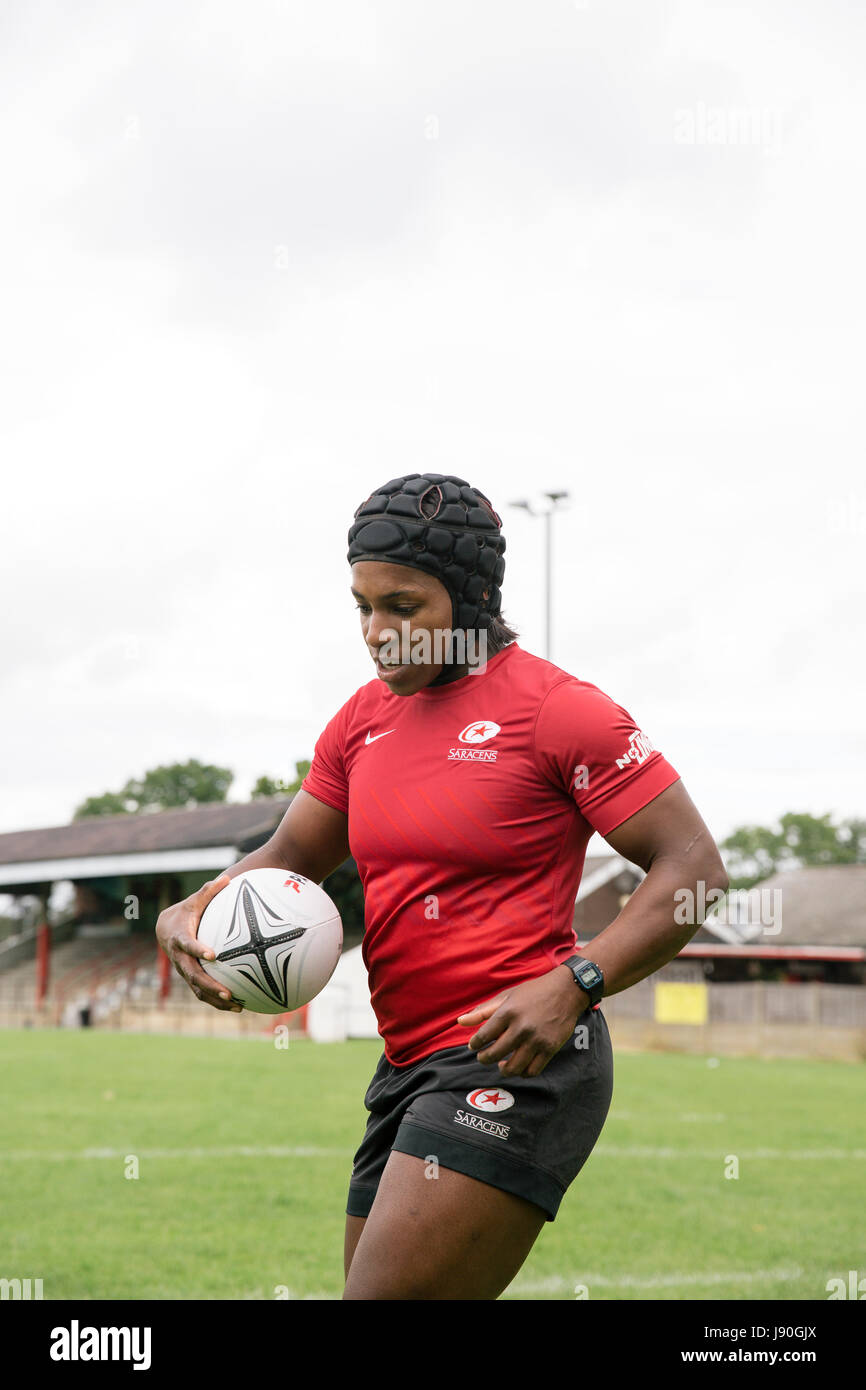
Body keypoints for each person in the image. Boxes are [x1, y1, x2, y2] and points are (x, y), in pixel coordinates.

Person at [156, 471, 728, 1301]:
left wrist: (576, 983)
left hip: (520, 1060)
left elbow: (695, 870)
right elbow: (289, 857)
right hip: (406, 1067)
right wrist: (197, 903)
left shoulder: (561, 712)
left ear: (472, 598)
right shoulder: (361, 722)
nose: (378, 632)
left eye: (403, 606)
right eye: (362, 607)